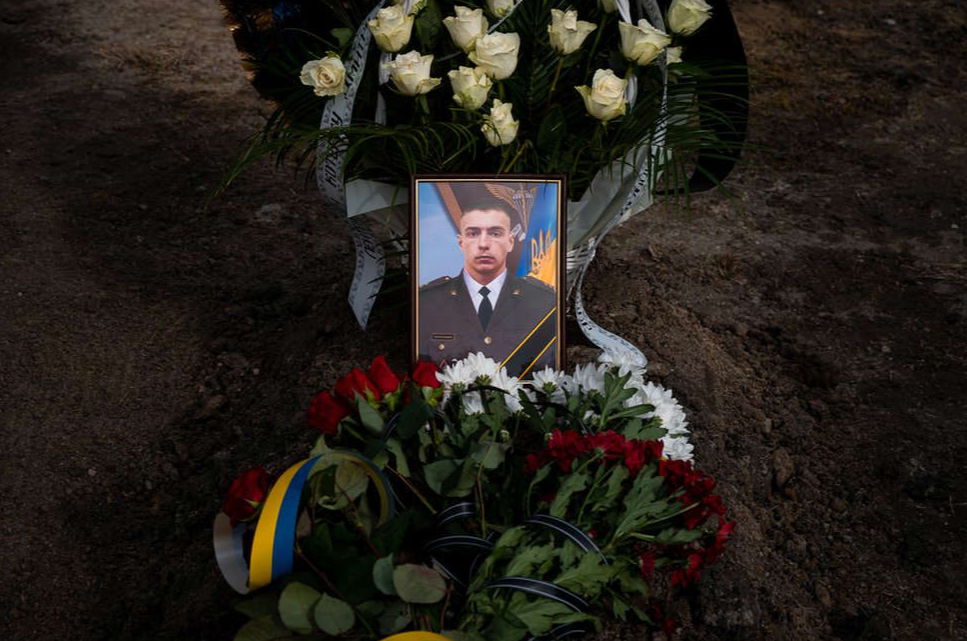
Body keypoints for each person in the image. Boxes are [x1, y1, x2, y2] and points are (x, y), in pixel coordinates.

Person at [418, 198, 558, 378]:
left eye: (495, 233)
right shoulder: (426, 303)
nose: (483, 244)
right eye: (473, 233)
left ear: (510, 242)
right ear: (461, 243)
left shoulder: (544, 302)